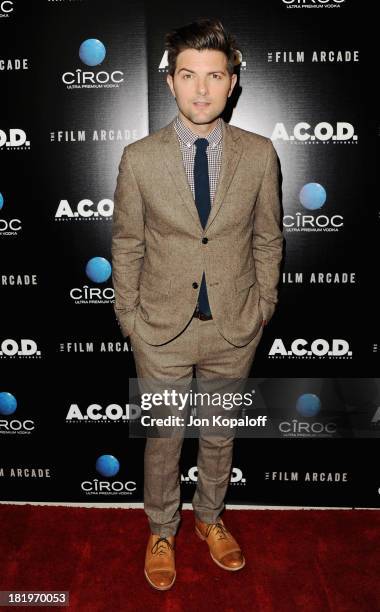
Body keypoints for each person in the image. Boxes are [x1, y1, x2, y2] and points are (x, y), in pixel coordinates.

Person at [111, 17, 283, 591]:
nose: (202, 89)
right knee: (163, 439)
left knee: (218, 434)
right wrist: (129, 320)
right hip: (160, 328)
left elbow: (267, 238)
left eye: (215, 76)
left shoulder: (260, 155)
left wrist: (263, 306)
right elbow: (128, 243)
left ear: (232, 82)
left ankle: (211, 519)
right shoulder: (139, 158)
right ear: (171, 82)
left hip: (234, 326)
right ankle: (162, 529)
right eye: (189, 75)